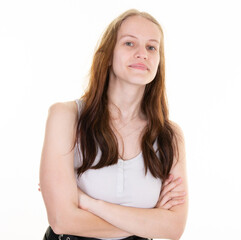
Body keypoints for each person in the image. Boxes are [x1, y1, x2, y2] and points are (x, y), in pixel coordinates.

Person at [39, 9, 188, 240]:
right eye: (129, 43)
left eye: (151, 47)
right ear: (108, 55)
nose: (142, 54)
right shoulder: (66, 116)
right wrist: (150, 220)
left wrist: (89, 203)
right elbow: (61, 220)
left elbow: (174, 228)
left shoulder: (170, 136)